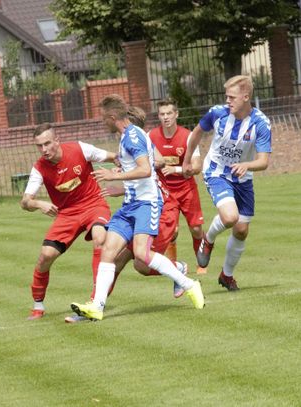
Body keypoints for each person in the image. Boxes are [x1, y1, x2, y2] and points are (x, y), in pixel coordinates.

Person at [71, 94, 205, 321]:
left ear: (113, 117)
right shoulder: (128, 136)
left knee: (142, 255)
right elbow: (148, 168)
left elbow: (145, 170)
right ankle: (97, 306)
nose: (102, 122)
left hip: (146, 204)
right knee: (108, 250)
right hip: (130, 205)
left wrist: (115, 176)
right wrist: (121, 186)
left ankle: (189, 284)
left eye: (104, 118)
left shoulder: (133, 137)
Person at [21, 123, 118, 320]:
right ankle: (38, 304)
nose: (44, 150)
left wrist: (120, 166)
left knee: (100, 238)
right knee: (46, 255)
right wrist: (39, 204)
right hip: (67, 214)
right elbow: (25, 201)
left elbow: (112, 156)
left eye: (48, 143)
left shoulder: (80, 149)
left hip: (94, 205)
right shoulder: (39, 168)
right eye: (39, 146)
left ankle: (95, 301)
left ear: (57, 140)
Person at [183, 75, 272, 291]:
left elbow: (263, 161)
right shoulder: (217, 113)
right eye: (226, 97)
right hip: (216, 171)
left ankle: (226, 275)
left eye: (232, 97)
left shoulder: (261, 123)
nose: (228, 101)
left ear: (246, 96)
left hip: (243, 178)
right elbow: (195, 134)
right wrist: (187, 160)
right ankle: (209, 238)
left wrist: (247, 166)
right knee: (230, 217)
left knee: (241, 230)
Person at [149, 99, 206, 274]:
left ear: (176, 114)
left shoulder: (188, 136)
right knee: (171, 231)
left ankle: (202, 264)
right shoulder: (150, 136)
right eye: (162, 114)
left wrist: (175, 169)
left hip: (186, 188)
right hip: (164, 191)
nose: (165, 117)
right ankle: (173, 266)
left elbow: (196, 167)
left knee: (196, 229)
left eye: (169, 113)